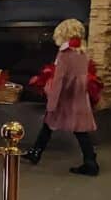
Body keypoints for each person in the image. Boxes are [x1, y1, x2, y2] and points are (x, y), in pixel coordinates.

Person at [23, 19, 99, 176]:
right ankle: (89, 159)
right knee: (76, 128)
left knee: (52, 122)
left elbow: (59, 80)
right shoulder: (82, 51)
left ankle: (90, 161)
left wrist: (52, 101)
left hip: (65, 97)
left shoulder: (65, 54)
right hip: (78, 95)